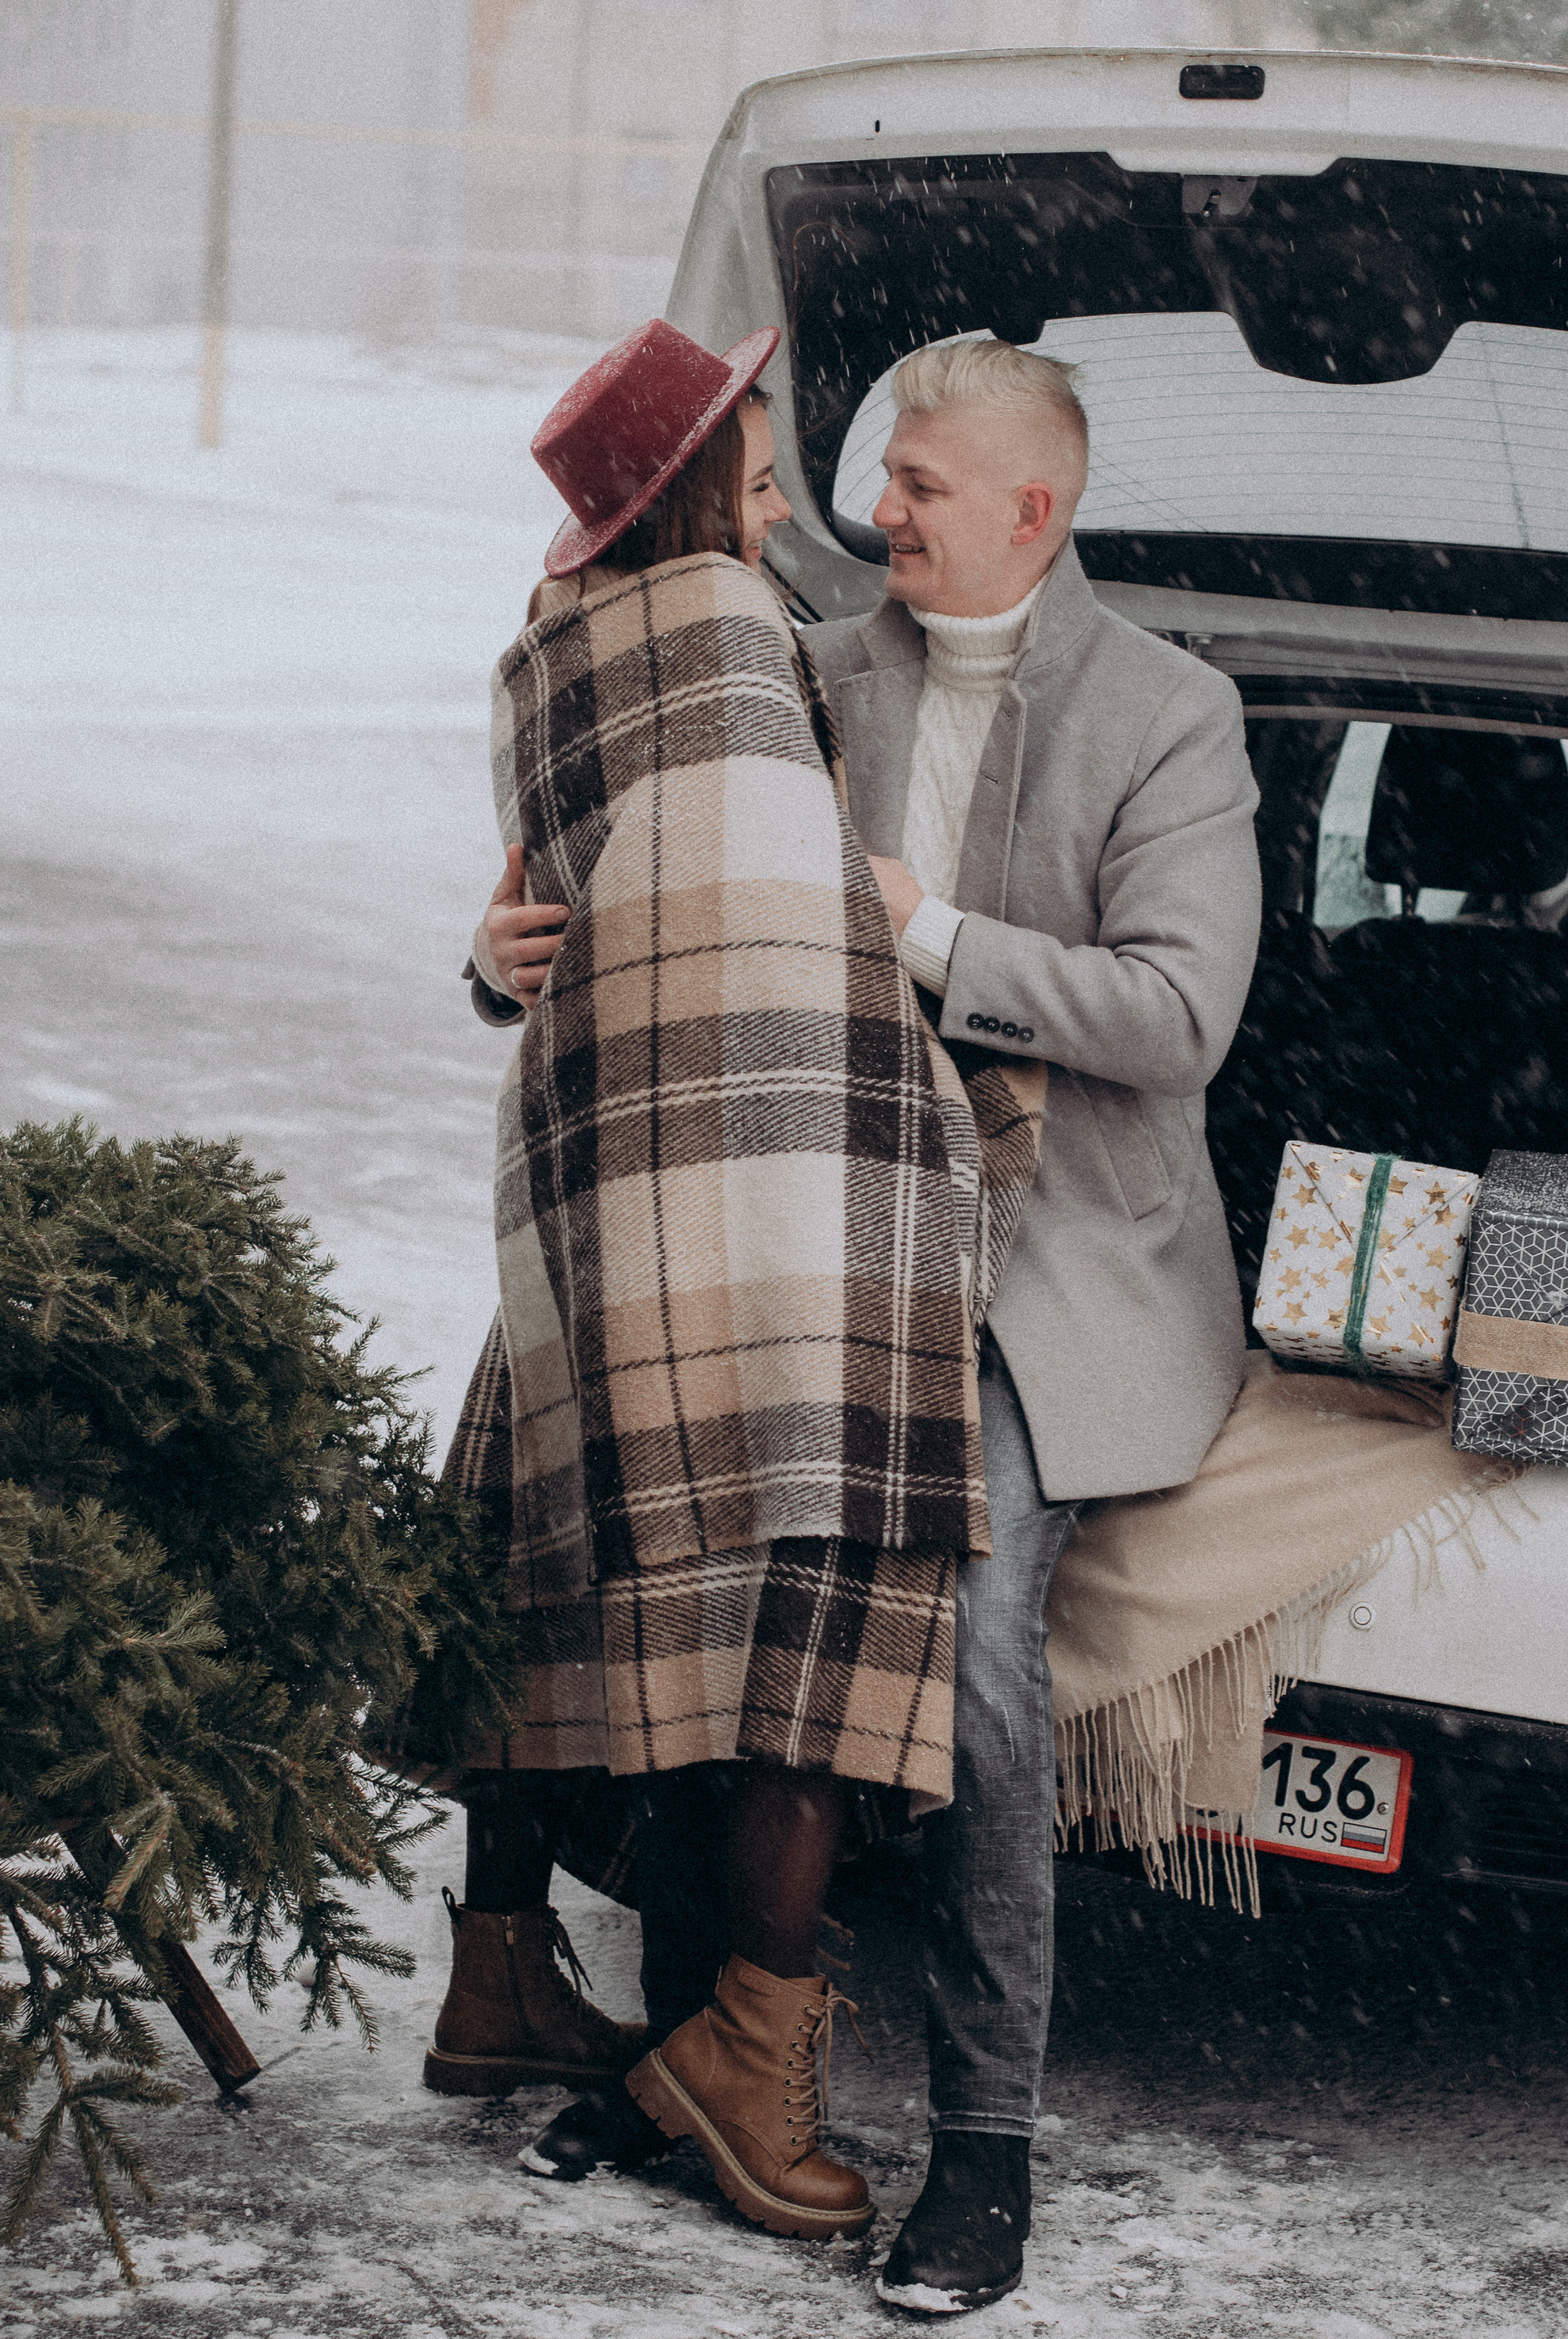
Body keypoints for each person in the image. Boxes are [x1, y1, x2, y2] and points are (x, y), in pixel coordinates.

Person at [482, 334, 1261, 2310]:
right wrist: (497, 960)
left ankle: (985, 2141)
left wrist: (920, 934)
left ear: (1032, 506)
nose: (866, 512)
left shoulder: (1172, 713)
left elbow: (1177, 1019)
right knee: (700, 1567)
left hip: (1041, 1272)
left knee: (973, 1648)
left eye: (912, 482)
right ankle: (697, 2053)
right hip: (804, 1231)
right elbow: (604, 882)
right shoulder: (792, 666)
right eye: (862, 475)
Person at [435, 318, 1047, 2250]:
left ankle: (515, 1965)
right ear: (699, 490)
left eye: (884, 484)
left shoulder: (547, 653)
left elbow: (609, 881)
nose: (814, 509)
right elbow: (679, 918)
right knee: (823, 1576)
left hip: (603, 1183)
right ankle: (736, 2044)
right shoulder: (749, 638)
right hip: (781, 1193)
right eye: (768, 476)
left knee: (567, 1534)